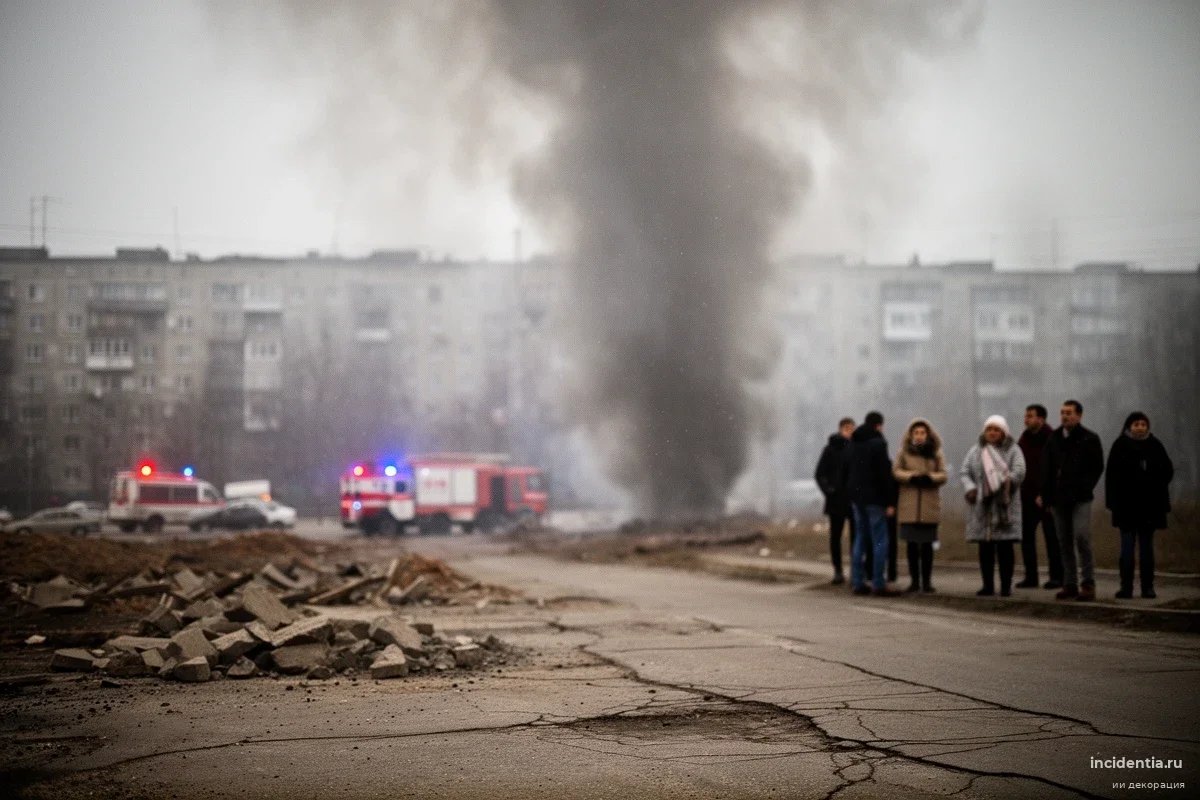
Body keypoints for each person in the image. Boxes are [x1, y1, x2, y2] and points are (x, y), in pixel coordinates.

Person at [1039, 400, 1105, 602]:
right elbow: (1047, 468)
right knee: (1064, 541)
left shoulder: (1089, 439)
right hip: (1059, 499)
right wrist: (1047, 495)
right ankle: (1069, 583)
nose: (1065, 416)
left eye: (1069, 412)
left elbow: (1096, 467)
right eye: (1062, 412)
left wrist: (1083, 487)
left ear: (1079, 415)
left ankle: (1088, 583)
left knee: (1081, 537)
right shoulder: (1054, 438)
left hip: (1080, 498)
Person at [1105, 412, 1174, 599]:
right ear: (1129, 426)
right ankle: (1126, 587)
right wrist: (1112, 502)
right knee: (1127, 548)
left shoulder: (1155, 445)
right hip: (1126, 507)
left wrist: (1153, 483)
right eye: (1136, 424)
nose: (1140, 427)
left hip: (1149, 507)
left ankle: (1148, 587)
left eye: (1144, 424)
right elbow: (1110, 476)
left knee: (1146, 549)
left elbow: (1167, 471)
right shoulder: (1120, 445)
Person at [962, 415, 1026, 597]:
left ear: (1003, 432)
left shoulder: (1013, 450)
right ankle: (987, 585)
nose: (992, 433)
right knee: (985, 548)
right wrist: (971, 488)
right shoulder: (975, 451)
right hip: (982, 507)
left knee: (1005, 547)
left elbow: (1019, 472)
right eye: (989, 429)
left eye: (996, 430)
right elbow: (965, 471)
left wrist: (1000, 483)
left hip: (1004, 505)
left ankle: (1006, 586)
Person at [843, 411, 901, 597]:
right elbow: (884, 474)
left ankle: (858, 581)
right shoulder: (878, 443)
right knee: (880, 539)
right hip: (875, 498)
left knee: (860, 537)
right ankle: (878, 582)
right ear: (879, 425)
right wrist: (890, 501)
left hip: (856, 497)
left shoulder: (853, 442)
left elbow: (847, 470)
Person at [892, 419, 947, 593]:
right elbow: (896, 471)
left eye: (922, 433)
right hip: (909, 505)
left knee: (927, 545)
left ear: (928, 434)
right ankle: (914, 581)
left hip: (928, 505)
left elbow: (944, 475)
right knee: (912, 546)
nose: (919, 436)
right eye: (916, 433)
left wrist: (930, 478)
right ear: (911, 435)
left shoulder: (936, 453)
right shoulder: (904, 452)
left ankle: (927, 582)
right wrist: (911, 477)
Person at [1016, 404, 1063, 589]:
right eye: (1025, 415)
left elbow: (1055, 468)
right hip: (1026, 495)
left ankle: (1056, 576)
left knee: (1052, 536)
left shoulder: (1052, 438)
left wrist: (1046, 493)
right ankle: (1031, 576)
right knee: (1026, 537)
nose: (1026, 419)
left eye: (1030, 416)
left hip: (1046, 496)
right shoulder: (1024, 439)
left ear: (1041, 419)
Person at [815, 417, 857, 585]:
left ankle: (856, 570)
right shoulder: (830, 449)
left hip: (854, 498)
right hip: (836, 499)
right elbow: (819, 473)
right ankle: (838, 570)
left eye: (851, 428)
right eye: (846, 428)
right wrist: (828, 490)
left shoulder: (857, 448)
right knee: (835, 536)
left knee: (857, 537)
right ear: (840, 429)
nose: (849, 431)